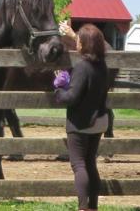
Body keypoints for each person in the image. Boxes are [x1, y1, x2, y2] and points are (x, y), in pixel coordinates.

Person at [54, 22, 111, 211]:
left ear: (84, 44)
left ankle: (83, 207)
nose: (76, 42)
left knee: (78, 165)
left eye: (79, 39)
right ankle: (92, 207)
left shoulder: (82, 67)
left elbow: (71, 97)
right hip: (99, 121)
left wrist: (59, 90)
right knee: (90, 163)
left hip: (81, 123)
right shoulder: (102, 66)